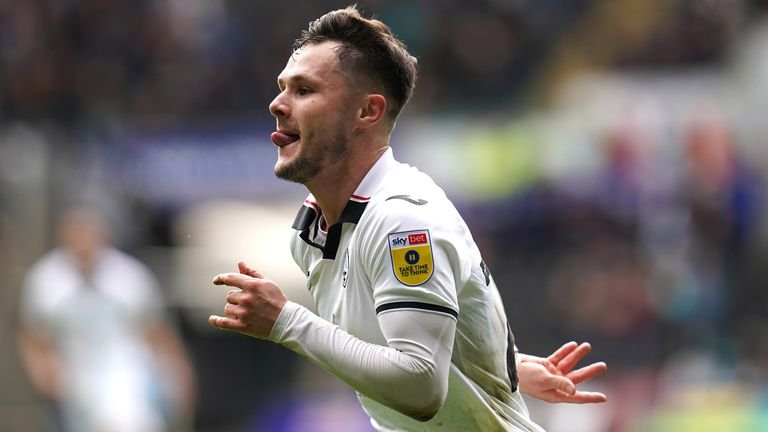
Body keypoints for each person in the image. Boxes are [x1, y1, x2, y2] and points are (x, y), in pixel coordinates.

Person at [209, 6, 606, 431]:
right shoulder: (311, 232)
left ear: (368, 112)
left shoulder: (403, 220)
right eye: (282, 88)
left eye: (304, 91)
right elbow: (397, 340)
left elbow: (420, 387)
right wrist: (502, 368)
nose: (277, 104)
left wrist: (287, 321)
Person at [18, 207, 197, 432]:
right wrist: (45, 375)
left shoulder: (129, 275)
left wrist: (178, 373)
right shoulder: (46, 280)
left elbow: (156, 331)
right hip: (76, 380)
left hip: (130, 376)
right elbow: (34, 335)